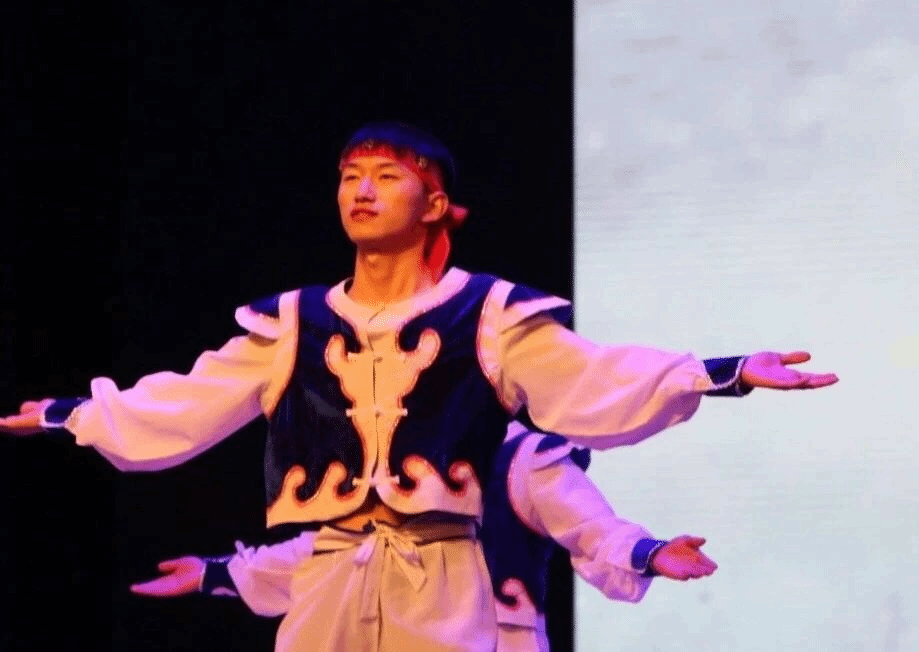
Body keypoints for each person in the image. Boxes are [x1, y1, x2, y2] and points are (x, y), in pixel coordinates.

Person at [0, 122, 837, 651]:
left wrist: (720, 372)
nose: (361, 190)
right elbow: (187, 400)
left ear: (434, 203)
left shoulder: (489, 315)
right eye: (349, 175)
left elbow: (588, 377)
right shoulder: (291, 323)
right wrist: (76, 414)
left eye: (385, 176)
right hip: (331, 574)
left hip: (439, 578)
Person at [130, 421, 718, 652]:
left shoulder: (524, 459)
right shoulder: (397, 461)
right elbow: (331, 551)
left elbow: (590, 528)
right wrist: (216, 574)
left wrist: (649, 554)